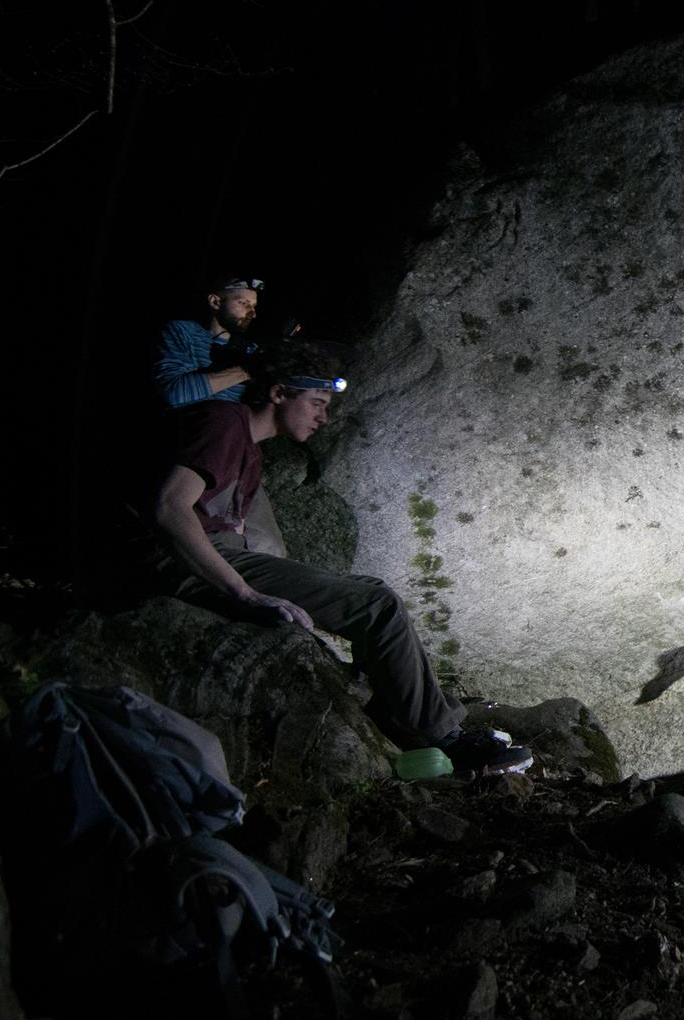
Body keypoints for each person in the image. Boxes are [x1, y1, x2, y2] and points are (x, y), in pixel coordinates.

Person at [144, 339, 531, 775]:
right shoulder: (223, 423)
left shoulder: (247, 448)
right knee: (376, 605)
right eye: (316, 402)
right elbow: (170, 508)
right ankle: (449, 740)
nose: (323, 417)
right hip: (175, 563)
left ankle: (396, 710)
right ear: (278, 393)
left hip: (213, 556)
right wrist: (246, 595)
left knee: (371, 590)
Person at [153, 276, 263, 408]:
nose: (252, 313)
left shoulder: (251, 349)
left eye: (254, 306)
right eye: (243, 303)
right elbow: (173, 393)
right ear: (215, 302)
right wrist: (246, 370)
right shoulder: (183, 332)